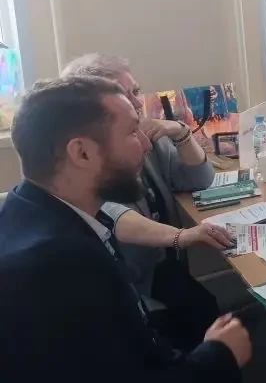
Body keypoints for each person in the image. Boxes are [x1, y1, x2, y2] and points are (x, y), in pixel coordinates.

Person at [0, 77, 266, 383]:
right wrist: (216, 355)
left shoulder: (28, 209)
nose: (145, 144)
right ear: (82, 152)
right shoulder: (55, 263)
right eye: (131, 133)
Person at [62, 53, 227, 350]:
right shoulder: (88, 159)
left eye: (135, 91)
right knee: (201, 316)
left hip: (162, 268)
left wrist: (180, 131)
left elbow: (199, 179)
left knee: (204, 311)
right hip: (129, 283)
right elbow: (111, 215)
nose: (137, 103)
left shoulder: (145, 137)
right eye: (123, 95)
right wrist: (182, 236)